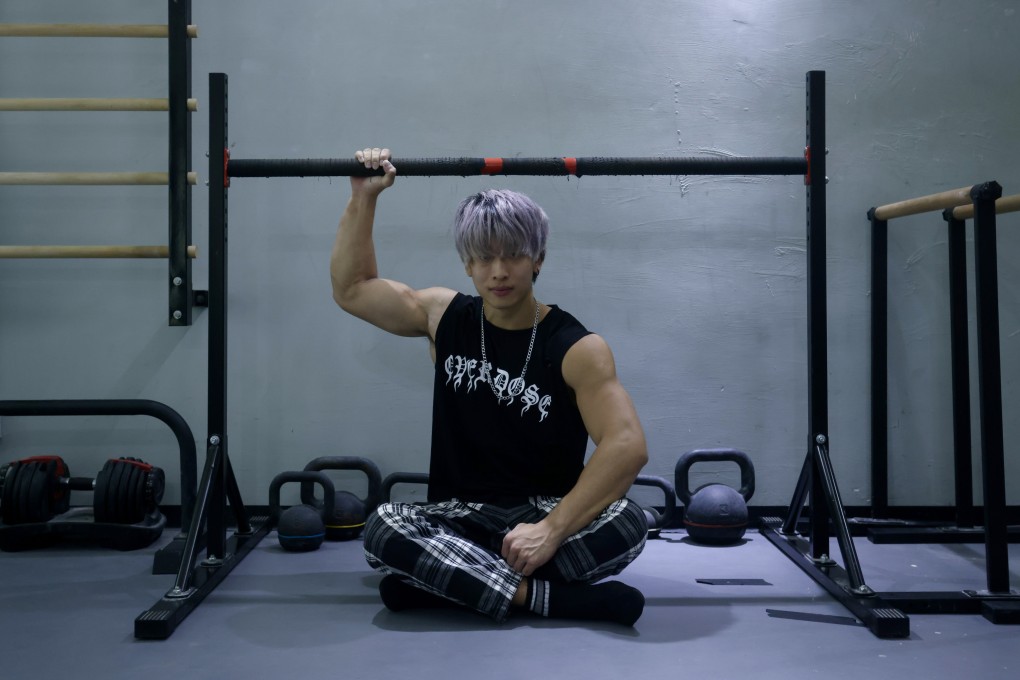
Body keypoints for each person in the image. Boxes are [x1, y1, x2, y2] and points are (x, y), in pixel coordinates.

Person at [331, 147, 649, 626]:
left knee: (629, 522)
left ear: (538, 259)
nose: (498, 271)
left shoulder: (576, 347)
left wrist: (550, 530)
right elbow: (352, 289)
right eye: (484, 257)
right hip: (458, 515)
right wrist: (363, 197)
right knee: (384, 526)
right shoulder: (443, 317)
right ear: (468, 264)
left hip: (542, 514)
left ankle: (451, 585)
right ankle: (547, 599)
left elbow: (627, 446)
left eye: (513, 255)